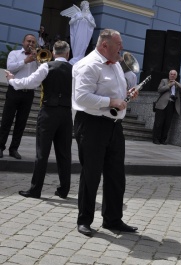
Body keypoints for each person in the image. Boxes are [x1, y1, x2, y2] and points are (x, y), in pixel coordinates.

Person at [72, 29, 139, 236]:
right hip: (91, 124)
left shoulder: (117, 65)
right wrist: (111, 102)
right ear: (104, 45)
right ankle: (84, 220)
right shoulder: (87, 65)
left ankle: (113, 219)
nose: (122, 48)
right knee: (91, 174)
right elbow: (82, 97)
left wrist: (128, 95)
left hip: (113, 126)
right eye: (118, 44)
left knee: (116, 176)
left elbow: (117, 94)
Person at [5, 41, 72, 199]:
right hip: (66, 113)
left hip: (49, 112)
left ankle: (36, 190)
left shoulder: (46, 66)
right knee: (64, 153)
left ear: (54, 53)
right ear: (68, 54)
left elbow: (29, 83)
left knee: (42, 152)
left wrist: (12, 80)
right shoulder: (75, 70)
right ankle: (64, 189)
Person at [0, 34, 39, 159]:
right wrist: (25, 61)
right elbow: (10, 68)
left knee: (21, 123)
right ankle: (0, 147)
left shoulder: (37, 57)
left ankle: (14, 149)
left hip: (28, 93)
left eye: (33, 42)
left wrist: (37, 60)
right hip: (14, 90)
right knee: (7, 120)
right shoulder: (14, 54)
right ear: (23, 42)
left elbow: (43, 71)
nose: (31, 44)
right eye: (29, 41)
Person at [153, 69, 181, 145]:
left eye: (174, 75)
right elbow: (159, 89)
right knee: (159, 123)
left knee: (167, 123)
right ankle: (156, 139)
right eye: (171, 74)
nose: (172, 75)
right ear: (169, 75)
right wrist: (169, 85)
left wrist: (176, 83)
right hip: (162, 105)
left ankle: (163, 139)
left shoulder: (177, 84)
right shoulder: (164, 81)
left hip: (171, 105)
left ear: (176, 76)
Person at [61, 0, 96, 64]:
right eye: (86, 5)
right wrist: (77, 18)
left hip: (85, 34)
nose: (87, 7)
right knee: (76, 44)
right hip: (78, 33)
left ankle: (80, 58)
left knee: (83, 45)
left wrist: (88, 19)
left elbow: (94, 25)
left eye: (88, 6)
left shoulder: (89, 16)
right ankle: (75, 58)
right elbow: (70, 22)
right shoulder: (77, 14)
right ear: (82, 6)